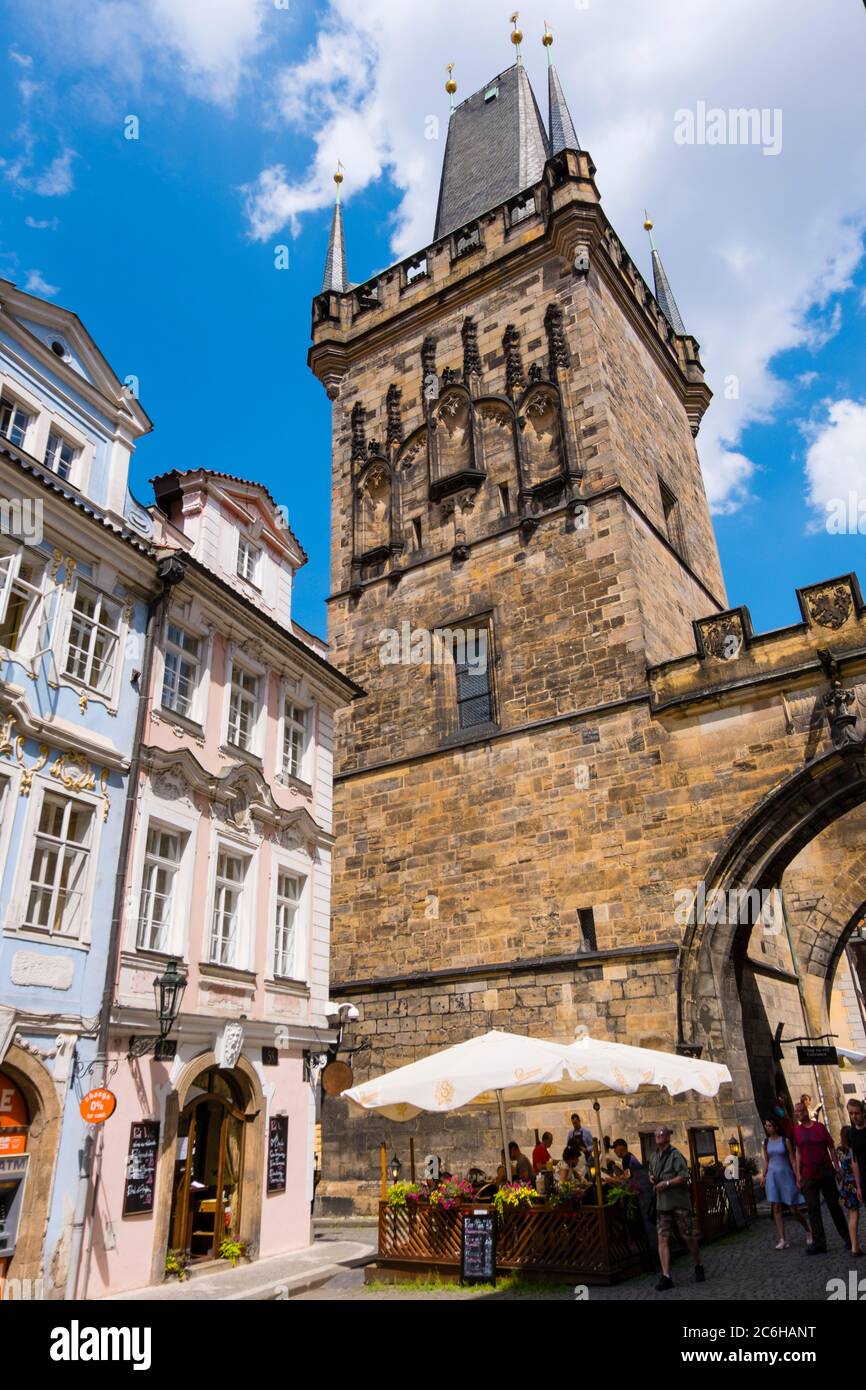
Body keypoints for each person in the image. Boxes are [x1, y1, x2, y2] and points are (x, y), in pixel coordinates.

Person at [648, 1125, 705, 1291]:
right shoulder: (653, 1157)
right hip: (662, 1204)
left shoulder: (675, 1155)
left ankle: (698, 1264)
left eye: (661, 1134)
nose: (658, 1137)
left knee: (687, 1236)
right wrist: (652, 1178)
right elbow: (651, 1172)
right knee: (662, 1238)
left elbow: (684, 1176)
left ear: (667, 1137)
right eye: (656, 1135)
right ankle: (666, 1276)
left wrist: (667, 1183)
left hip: (678, 1203)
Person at [792, 1101, 850, 1254]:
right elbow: (797, 1153)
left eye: (801, 1110)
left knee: (834, 1207)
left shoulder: (819, 1127)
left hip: (825, 1172)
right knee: (813, 1209)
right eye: (796, 1111)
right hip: (808, 1175)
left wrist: (837, 1168)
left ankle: (848, 1238)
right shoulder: (797, 1131)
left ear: (806, 1111)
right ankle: (819, 1243)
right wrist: (798, 1174)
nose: (799, 1113)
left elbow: (831, 1147)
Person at [758, 1116, 811, 1249]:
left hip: (786, 1175)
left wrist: (797, 1174)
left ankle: (808, 1230)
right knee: (776, 1208)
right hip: (773, 1177)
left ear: (775, 1127)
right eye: (766, 1125)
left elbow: (793, 1159)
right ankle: (782, 1239)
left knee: (793, 1208)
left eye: (769, 1125)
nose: (767, 1128)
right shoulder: (766, 1142)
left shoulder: (785, 1140)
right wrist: (763, 1175)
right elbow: (766, 1161)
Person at [612, 1137, 658, 1260]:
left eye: (615, 1150)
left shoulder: (627, 1159)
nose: (615, 1153)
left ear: (621, 1148)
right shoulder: (628, 1157)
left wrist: (613, 1180)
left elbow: (627, 1177)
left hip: (641, 1194)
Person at [836, 1126, 863, 1257]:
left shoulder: (840, 1150)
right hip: (855, 1183)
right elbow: (854, 1166)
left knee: (851, 1215)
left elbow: (841, 1169)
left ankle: (854, 1245)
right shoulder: (853, 1150)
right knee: (855, 1216)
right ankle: (855, 1247)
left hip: (846, 1184)